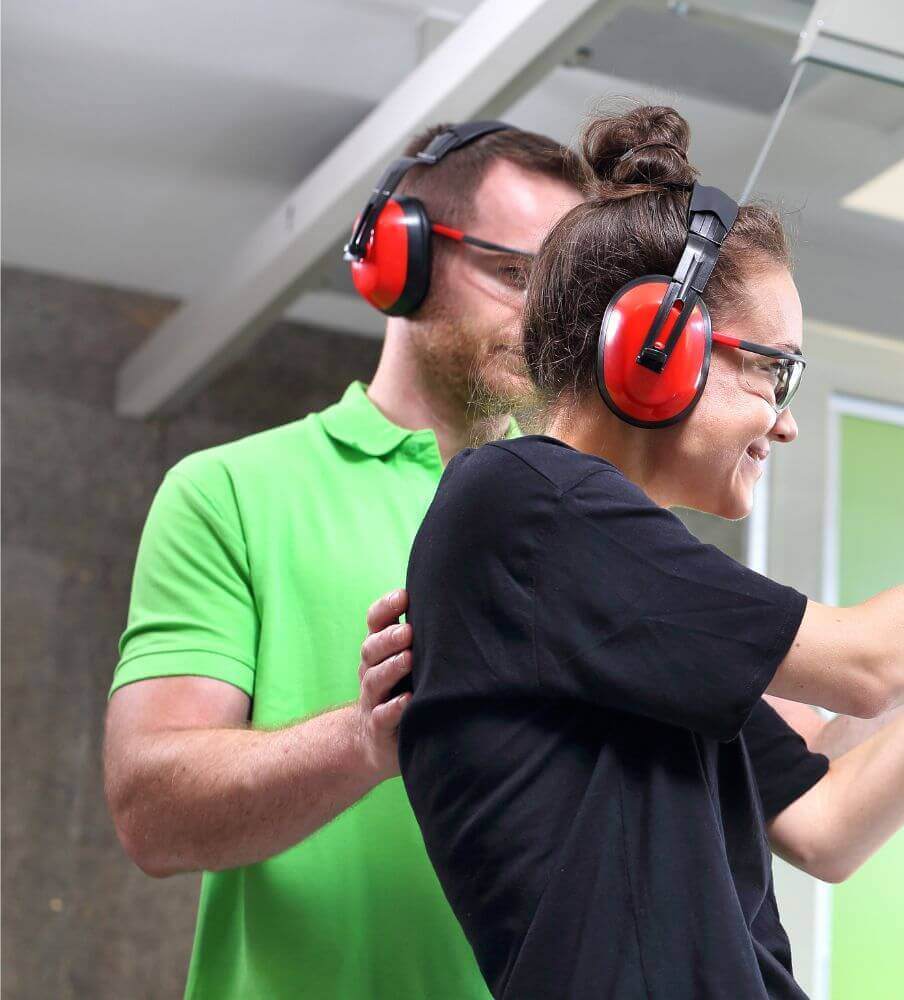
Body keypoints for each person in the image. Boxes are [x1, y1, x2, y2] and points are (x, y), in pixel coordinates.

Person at [398, 105, 904, 999]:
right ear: (660, 348)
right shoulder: (527, 503)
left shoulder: (614, 593)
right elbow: (867, 665)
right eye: (772, 370)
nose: (786, 418)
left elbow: (828, 822)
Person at [103, 122, 585, 998]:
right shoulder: (231, 491)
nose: (543, 319)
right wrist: (364, 741)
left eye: (565, 293)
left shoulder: (593, 521)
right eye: (515, 274)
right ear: (398, 258)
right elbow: (150, 811)